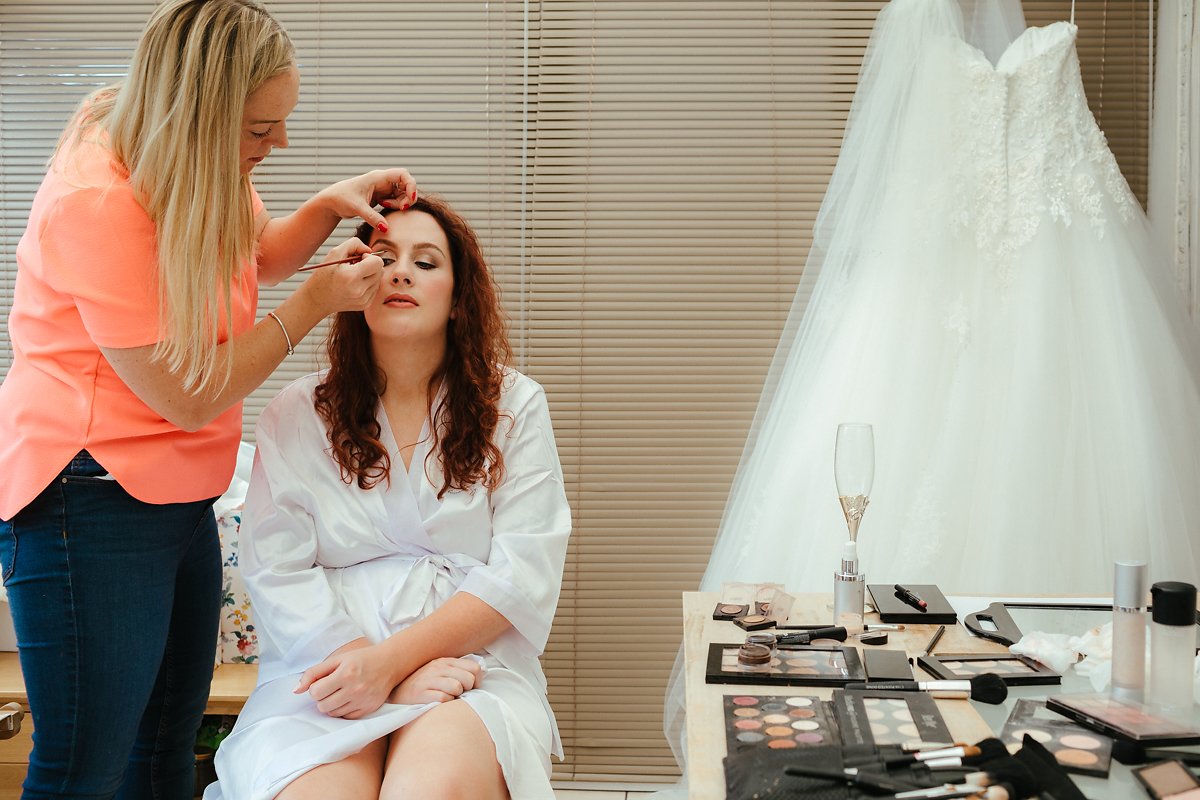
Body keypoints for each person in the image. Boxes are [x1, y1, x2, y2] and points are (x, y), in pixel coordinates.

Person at [0, 1, 419, 797]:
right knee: (83, 765)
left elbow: (254, 254)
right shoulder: (96, 204)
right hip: (87, 497)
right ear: (194, 114)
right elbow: (186, 396)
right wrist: (312, 307)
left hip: (176, 493)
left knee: (163, 745)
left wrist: (328, 207)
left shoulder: (186, 159)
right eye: (261, 130)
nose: (278, 144)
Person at [205, 193, 571, 800]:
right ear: (354, 286)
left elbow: (523, 570)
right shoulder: (297, 414)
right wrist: (369, 671)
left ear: (459, 300)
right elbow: (278, 569)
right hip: (327, 668)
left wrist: (396, 662)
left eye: (426, 262)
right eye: (383, 257)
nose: (400, 272)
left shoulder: (515, 406)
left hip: (466, 668)